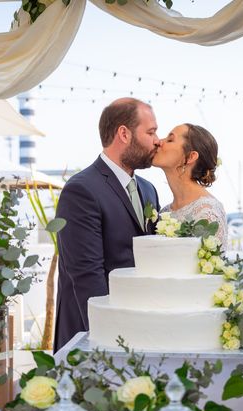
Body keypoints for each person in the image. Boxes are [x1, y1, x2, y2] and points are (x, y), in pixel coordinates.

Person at [54, 98, 161, 352]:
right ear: (124, 133)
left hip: (139, 332)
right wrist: (110, 343)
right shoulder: (81, 190)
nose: (157, 140)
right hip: (92, 338)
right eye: (151, 132)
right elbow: (87, 277)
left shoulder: (149, 190)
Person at [153, 123, 227, 246]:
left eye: (170, 140)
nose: (158, 142)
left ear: (190, 157)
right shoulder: (165, 212)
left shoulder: (207, 212)